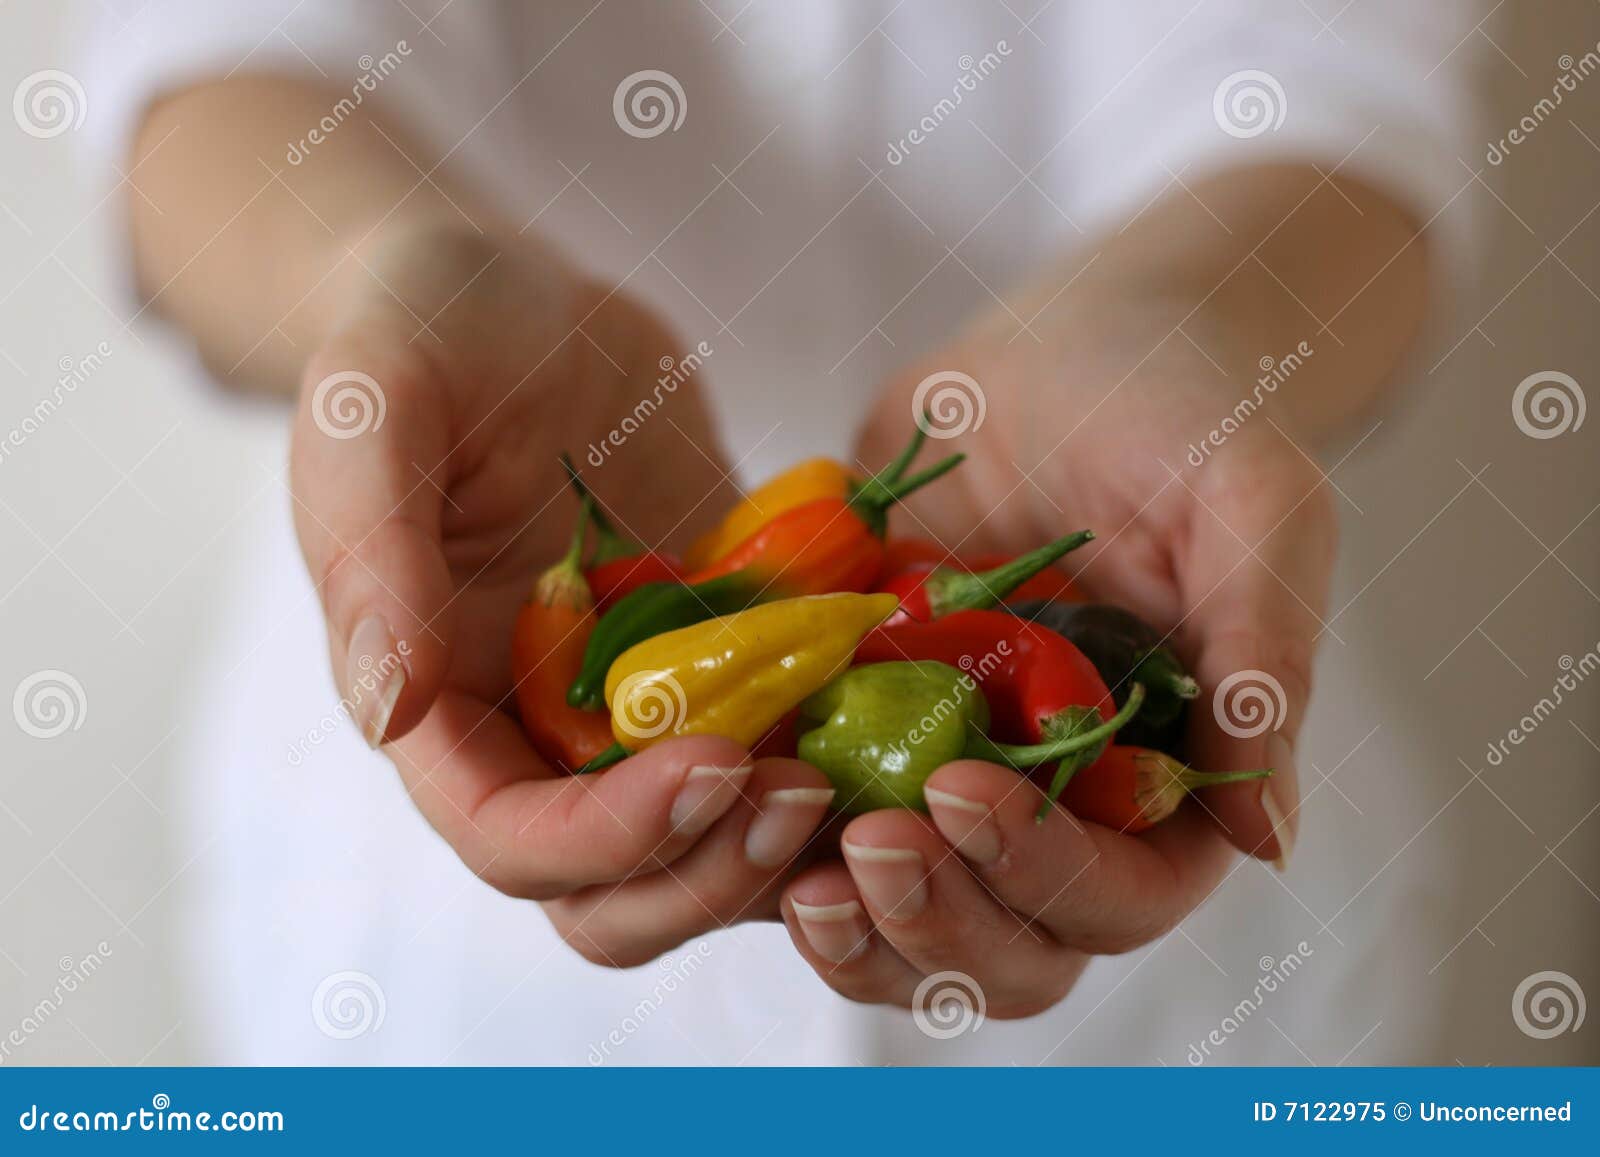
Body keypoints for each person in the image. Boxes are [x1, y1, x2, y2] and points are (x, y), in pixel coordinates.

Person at [91, 1, 1486, 1062]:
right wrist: (373, 270)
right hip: (448, 976)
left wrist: (1190, 323)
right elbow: (215, 48)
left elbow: (1339, 91)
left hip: (1185, 999)